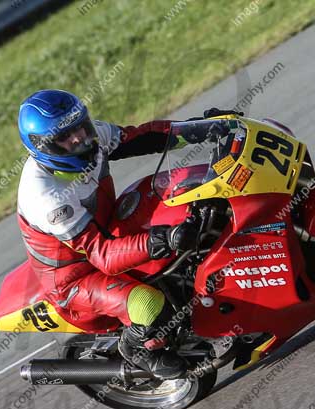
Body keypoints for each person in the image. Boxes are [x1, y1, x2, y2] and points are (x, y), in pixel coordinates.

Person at [16, 89, 222, 379]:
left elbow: (140, 138)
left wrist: (197, 129)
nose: (78, 139)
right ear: (42, 145)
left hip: (107, 227)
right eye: (64, 137)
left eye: (79, 127)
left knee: (189, 199)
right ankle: (138, 349)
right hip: (78, 276)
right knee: (148, 304)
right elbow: (103, 257)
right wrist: (164, 238)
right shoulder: (46, 197)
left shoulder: (91, 137)